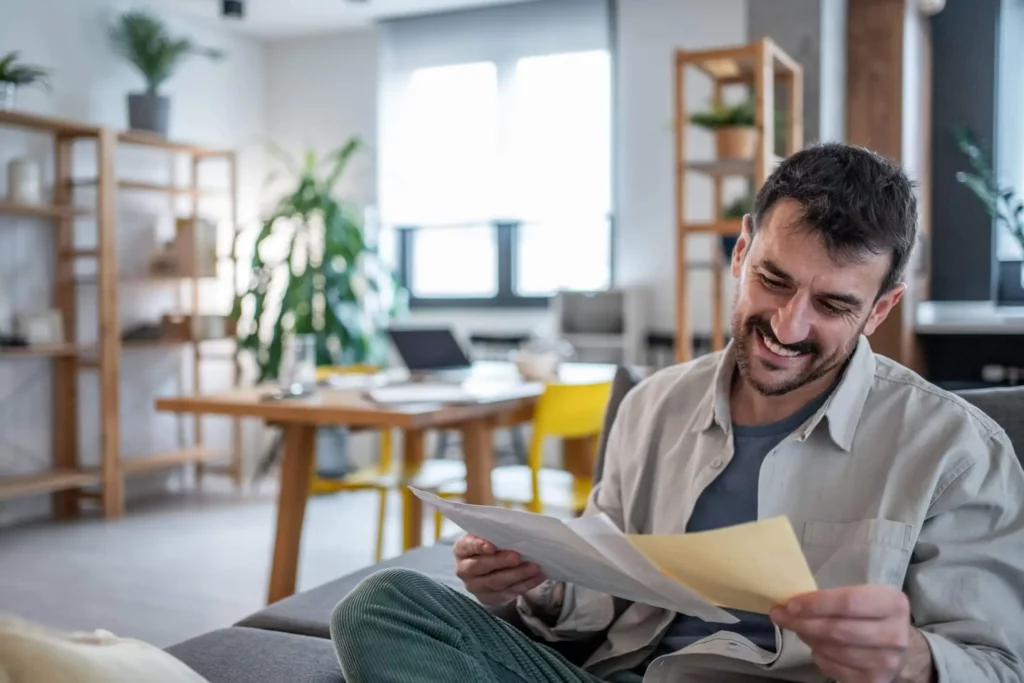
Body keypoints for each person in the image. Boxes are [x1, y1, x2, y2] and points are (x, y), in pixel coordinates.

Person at [330, 144, 1024, 683]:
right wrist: (531, 585)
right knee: (385, 604)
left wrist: (912, 660)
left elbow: (999, 665)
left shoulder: (954, 448)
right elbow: (600, 598)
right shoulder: (651, 406)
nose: (788, 325)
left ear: (880, 309)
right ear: (742, 251)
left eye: (833, 305)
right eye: (773, 279)